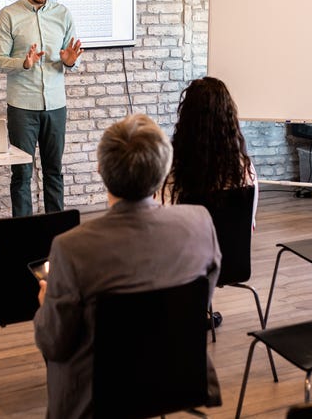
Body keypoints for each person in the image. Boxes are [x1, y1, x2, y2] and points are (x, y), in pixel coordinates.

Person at [33, 113, 222, 418]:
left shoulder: (71, 248)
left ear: (100, 169)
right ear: (164, 169)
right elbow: (201, 298)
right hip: (176, 379)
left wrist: (46, 306)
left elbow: (54, 343)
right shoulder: (200, 223)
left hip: (97, 399)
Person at [0, 0, 83, 217]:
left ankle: (56, 232)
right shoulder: (8, 15)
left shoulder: (62, 14)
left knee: (54, 171)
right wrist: (24, 63)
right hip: (22, 108)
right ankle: (24, 234)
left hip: (56, 106)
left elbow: (71, 58)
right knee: (22, 173)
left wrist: (70, 61)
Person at [163, 76, 258, 226]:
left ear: (186, 119)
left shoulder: (173, 171)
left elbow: (165, 225)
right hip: (231, 242)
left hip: (189, 241)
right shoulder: (245, 169)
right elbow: (249, 224)